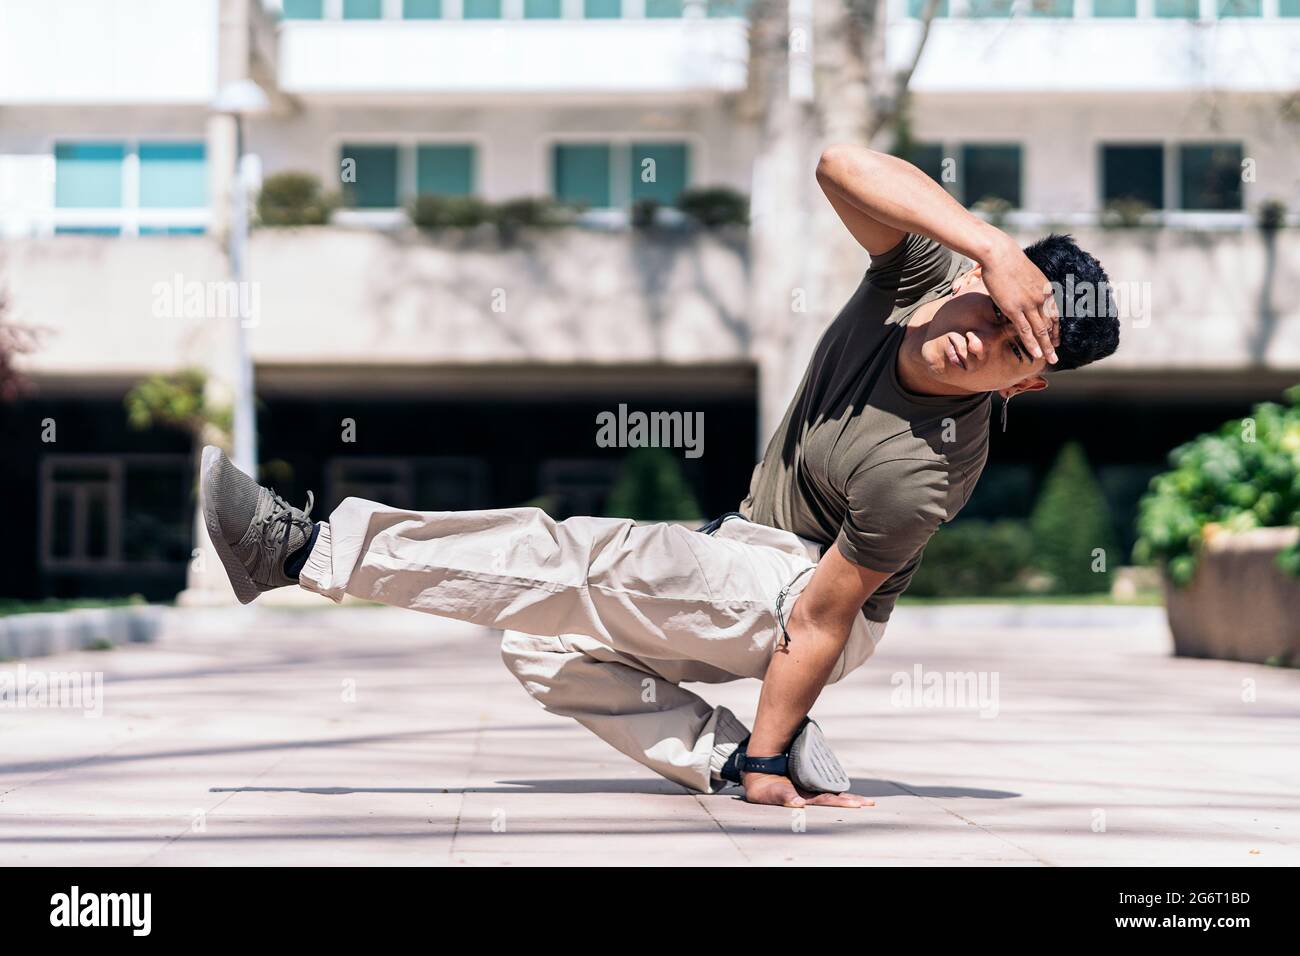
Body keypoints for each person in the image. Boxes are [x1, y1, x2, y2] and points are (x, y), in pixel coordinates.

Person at [200, 145, 1120, 809]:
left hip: (806, 598)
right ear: (981, 274)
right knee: (540, 640)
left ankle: (302, 551)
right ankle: (730, 756)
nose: (979, 340)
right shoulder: (918, 273)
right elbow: (840, 165)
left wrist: (769, 754)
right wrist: (992, 241)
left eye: (1012, 349)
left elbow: (825, 616)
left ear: (1025, 383)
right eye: (996, 306)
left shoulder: (924, 474)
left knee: (575, 560)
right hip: (746, 555)